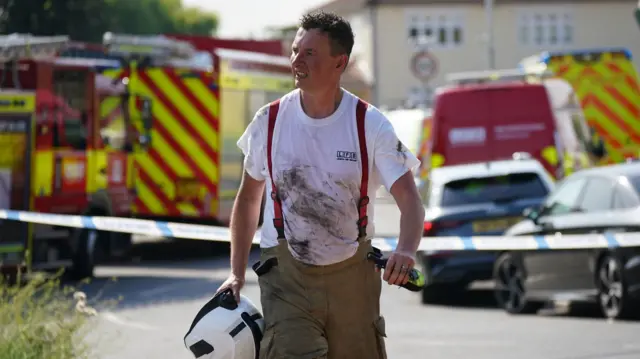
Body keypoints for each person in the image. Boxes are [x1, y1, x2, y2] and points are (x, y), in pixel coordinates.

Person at [215, 11, 425, 359]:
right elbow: (250, 198)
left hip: (353, 280)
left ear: (339, 62)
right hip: (286, 280)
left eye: (309, 53)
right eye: (295, 51)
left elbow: (409, 199)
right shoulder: (269, 121)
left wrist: (406, 250)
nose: (297, 60)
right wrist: (235, 274)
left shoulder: (370, 125)